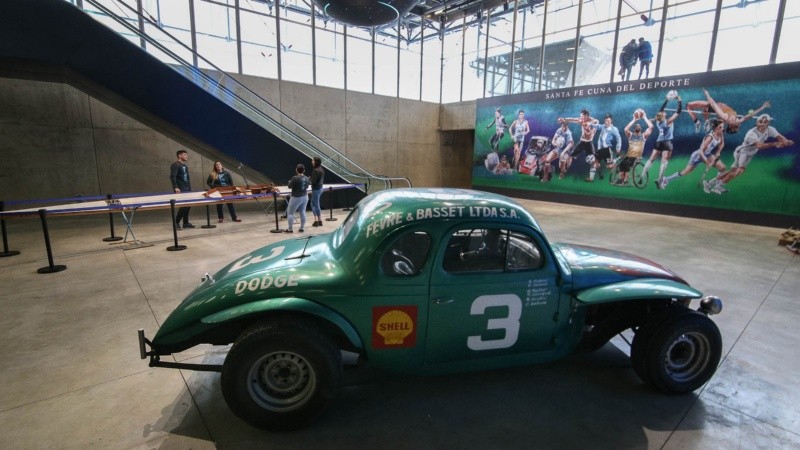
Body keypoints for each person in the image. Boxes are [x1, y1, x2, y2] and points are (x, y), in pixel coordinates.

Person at [704, 114, 794, 194]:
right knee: (740, 170)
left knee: (733, 171)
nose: (762, 123)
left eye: (765, 122)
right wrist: (776, 143)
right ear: (756, 123)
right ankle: (717, 186)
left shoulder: (770, 129)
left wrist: (785, 141)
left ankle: (710, 183)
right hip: (742, 152)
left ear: (768, 123)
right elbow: (759, 146)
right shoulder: (751, 133)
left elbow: (779, 136)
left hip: (750, 153)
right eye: (760, 121)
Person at [657, 119, 725, 190]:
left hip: (707, 154)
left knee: (722, 167)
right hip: (698, 156)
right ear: (714, 128)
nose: (722, 129)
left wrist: (718, 151)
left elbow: (722, 143)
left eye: (722, 127)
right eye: (720, 127)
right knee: (686, 171)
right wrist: (707, 162)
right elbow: (701, 151)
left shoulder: (720, 134)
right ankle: (666, 179)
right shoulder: (709, 138)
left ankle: (716, 185)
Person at [687, 88, 770, 134]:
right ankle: (705, 122)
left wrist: (707, 94)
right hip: (717, 106)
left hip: (712, 106)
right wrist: (763, 107)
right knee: (704, 112)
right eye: (738, 126)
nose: (738, 125)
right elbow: (750, 115)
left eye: (736, 127)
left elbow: (712, 104)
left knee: (689, 105)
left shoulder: (725, 117)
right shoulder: (738, 121)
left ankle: (697, 121)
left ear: (731, 125)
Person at [642, 91, 682, 184]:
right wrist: (679, 100)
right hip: (666, 142)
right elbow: (678, 112)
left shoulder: (658, 122)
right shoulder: (668, 121)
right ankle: (659, 179)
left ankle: (642, 175)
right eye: (664, 112)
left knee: (651, 159)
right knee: (664, 161)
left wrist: (667, 100)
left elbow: (661, 109)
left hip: (659, 142)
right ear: (663, 115)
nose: (664, 112)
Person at [616, 111, 654, 186]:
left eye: (639, 126)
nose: (637, 126)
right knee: (621, 164)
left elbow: (651, 127)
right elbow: (625, 129)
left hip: (636, 157)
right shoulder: (630, 135)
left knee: (626, 163)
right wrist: (634, 119)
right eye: (636, 126)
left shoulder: (643, 136)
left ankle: (625, 180)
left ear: (641, 128)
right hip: (629, 156)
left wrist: (644, 117)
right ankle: (621, 179)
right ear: (634, 128)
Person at [562, 110, 599, 181]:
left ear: (586, 115)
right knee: (570, 156)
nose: (581, 117)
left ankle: (591, 178)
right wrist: (564, 119)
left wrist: (586, 125)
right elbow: (572, 119)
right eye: (580, 116)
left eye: (582, 116)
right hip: (582, 142)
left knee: (593, 161)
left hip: (589, 143)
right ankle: (564, 170)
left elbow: (591, 131)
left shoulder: (595, 121)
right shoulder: (581, 120)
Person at [590, 114, 622, 182]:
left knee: (609, 166)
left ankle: (618, 175)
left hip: (607, 150)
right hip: (599, 150)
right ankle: (591, 178)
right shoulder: (603, 126)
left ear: (611, 121)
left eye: (608, 121)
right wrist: (590, 124)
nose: (606, 122)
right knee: (595, 163)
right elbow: (597, 126)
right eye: (605, 121)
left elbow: (619, 139)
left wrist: (618, 148)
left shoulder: (614, 129)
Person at [169, 149, 194, 229]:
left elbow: (187, 178)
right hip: (181, 188)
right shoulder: (175, 165)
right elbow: (173, 177)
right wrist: (176, 187)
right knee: (184, 206)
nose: (187, 156)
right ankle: (176, 222)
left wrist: (190, 188)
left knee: (188, 206)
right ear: (179, 155)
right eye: (185, 155)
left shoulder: (185, 166)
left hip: (187, 188)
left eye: (187, 155)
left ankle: (185, 223)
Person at [285, 163, 310, 233]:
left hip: (295, 197)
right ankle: (302, 228)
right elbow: (307, 187)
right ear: (304, 170)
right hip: (305, 196)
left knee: (290, 213)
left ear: (296, 170)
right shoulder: (307, 178)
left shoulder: (295, 178)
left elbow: (289, 186)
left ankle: (290, 229)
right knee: (302, 211)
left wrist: (289, 182)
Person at [310, 156, 325, 227]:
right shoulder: (321, 169)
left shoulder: (315, 170)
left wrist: (309, 180)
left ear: (315, 161)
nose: (312, 162)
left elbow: (313, 182)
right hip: (320, 188)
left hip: (316, 189)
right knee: (314, 204)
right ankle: (318, 220)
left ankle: (318, 220)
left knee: (315, 204)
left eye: (312, 160)